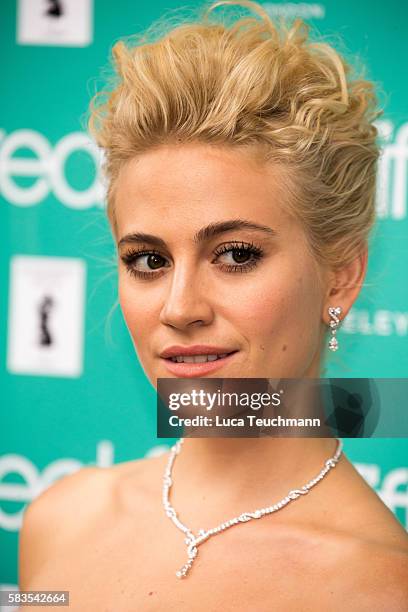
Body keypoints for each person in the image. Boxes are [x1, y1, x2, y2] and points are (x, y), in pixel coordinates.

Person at [18, 0, 408, 609]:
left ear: (340, 277)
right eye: (148, 260)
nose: (180, 307)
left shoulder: (382, 588)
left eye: (236, 254)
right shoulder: (54, 522)